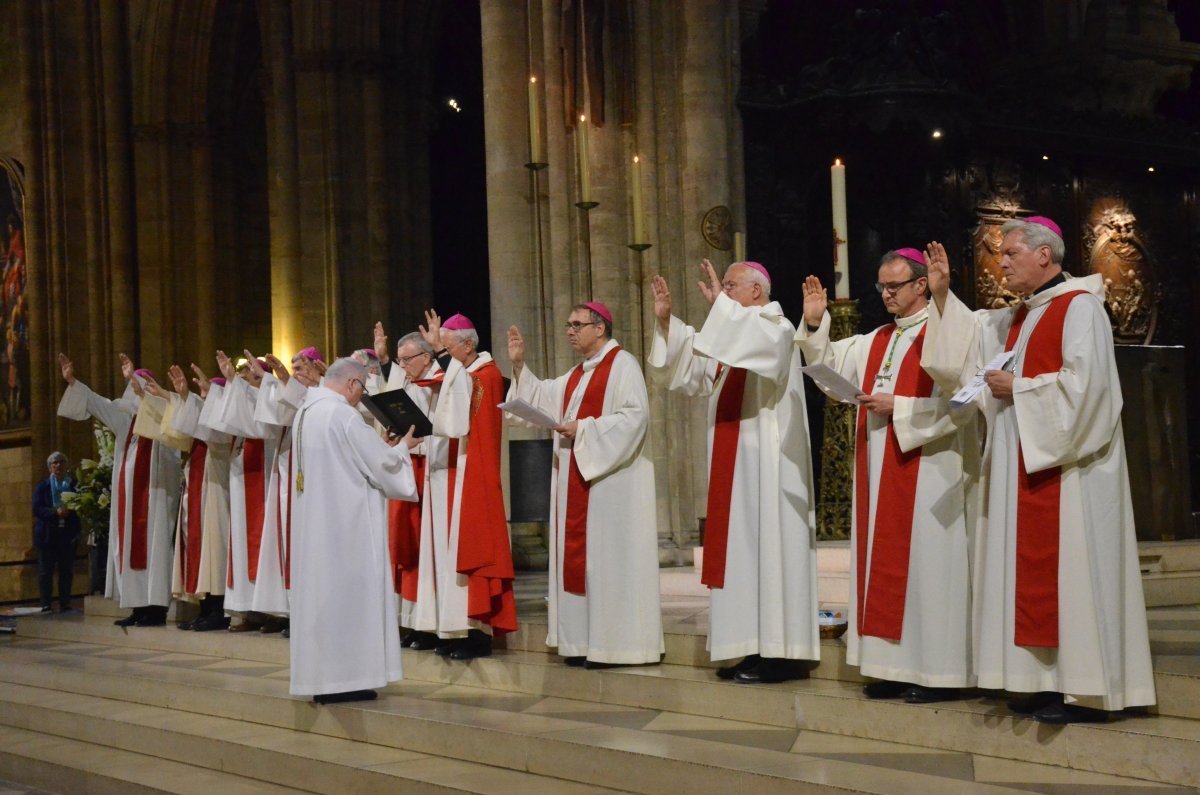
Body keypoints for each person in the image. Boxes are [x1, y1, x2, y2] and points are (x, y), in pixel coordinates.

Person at [922, 217, 1156, 723]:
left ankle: (1082, 688)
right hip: (1017, 462)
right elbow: (965, 349)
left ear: (1044, 255)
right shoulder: (1016, 316)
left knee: (1070, 573)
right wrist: (940, 297)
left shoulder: (1081, 307)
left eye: (1010, 253)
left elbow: (1088, 389)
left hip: (1069, 472)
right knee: (1025, 571)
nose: (1000, 262)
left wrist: (1020, 389)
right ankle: (1036, 681)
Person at [796, 248, 978, 702]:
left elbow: (968, 401)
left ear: (922, 285)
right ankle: (892, 668)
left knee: (931, 571)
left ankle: (939, 674)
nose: (886, 294)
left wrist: (900, 406)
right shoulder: (875, 338)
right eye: (881, 286)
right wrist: (817, 324)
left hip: (933, 469)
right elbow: (829, 369)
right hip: (880, 468)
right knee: (886, 567)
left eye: (894, 286)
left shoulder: (952, 332)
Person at [648, 261, 818, 683]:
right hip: (735, 469)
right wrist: (668, 324)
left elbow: (753, 345)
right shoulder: (733, 335)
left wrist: (722, 314)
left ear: (757, 291)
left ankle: (778, 654)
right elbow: (690, 373)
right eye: (723, 285)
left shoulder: (777, 328)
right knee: (741, 558)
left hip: (767, 469)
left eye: (730, 285)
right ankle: (747, 647)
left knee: (767, 553)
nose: (721, 292)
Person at [505, 302, 663, 668]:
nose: (570, 331)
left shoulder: (623, 365)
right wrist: (518, 366)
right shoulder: (578, 374)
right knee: (582, 563)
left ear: (600, 328)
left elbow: (634, 418)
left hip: (611, 487)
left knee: (607, 563)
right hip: (578, 482)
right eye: (568, 325)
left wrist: (584, 428)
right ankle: (580, 643)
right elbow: (542, 397)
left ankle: (615, 647)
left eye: (577, 324)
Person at [288, 357, 420, 703]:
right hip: (347, 530)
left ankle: (325, 680)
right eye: (362, 389)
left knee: (326, 603)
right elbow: (381, 463)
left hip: (318, 529)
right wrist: (404, 447)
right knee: (350, 602)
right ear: (351, 384)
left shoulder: (306, 412)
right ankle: (347, 680)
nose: (361, 396)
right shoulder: (342, 414)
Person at [411, 310, 518, 659]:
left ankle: (473, 632)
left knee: (467, 550)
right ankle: (446, 628)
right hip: (447, 473)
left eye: (449, 345)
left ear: (468, 345)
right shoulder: (462, 371)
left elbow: (459, 424)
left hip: (470, 476)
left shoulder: (485, 375)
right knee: (442, 553)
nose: (446, 352)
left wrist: (440, 358)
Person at [56, 353, 181, 626]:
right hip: (129, 500)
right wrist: (73, 381)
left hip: (154, 500)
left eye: (142, 388)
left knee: (154, 549)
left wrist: (142, 390)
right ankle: (137, 607)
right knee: (127, 548)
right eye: (134, 388)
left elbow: (173, 445)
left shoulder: (162, 420)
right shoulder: (127, 424)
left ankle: (156, 609)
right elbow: (98, 404)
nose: (136, 393)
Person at [376, 326, 441, 647]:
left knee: (422, 547)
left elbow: (442, 429)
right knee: (405, 546)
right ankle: (409, 620)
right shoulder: (411, 382)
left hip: (431, 471)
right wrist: (394, 436)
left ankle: (426, 623)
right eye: (398, 361)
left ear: (426, 357)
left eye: (406, 360)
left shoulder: (440, 382)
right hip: (407, 466)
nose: (402, 367)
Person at [164, 365, 233, 631]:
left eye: (207, 393)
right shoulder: (205, 420)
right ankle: (204, 609)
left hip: (216, 489)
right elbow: (185, 428)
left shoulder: (223, 419)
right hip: (198, 490)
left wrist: (189, 400)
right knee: (199, 549)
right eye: (201, 394)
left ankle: (218, 610)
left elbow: (210, 430)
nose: (203, 398)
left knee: (213, 551)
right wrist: (183, 397)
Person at [33, 451, 81, 613]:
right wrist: (55, 512)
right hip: (47, 535)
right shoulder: (43, 486)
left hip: (66, 535)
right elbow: (37, 509)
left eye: (61, 462)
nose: (58, 465)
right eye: (54, 463)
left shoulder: (73, 485)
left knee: (66, 571)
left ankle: (65, 603)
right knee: (46, 572)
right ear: (50, 467)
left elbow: (81, 507)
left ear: (66, 465)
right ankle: (46, 603)